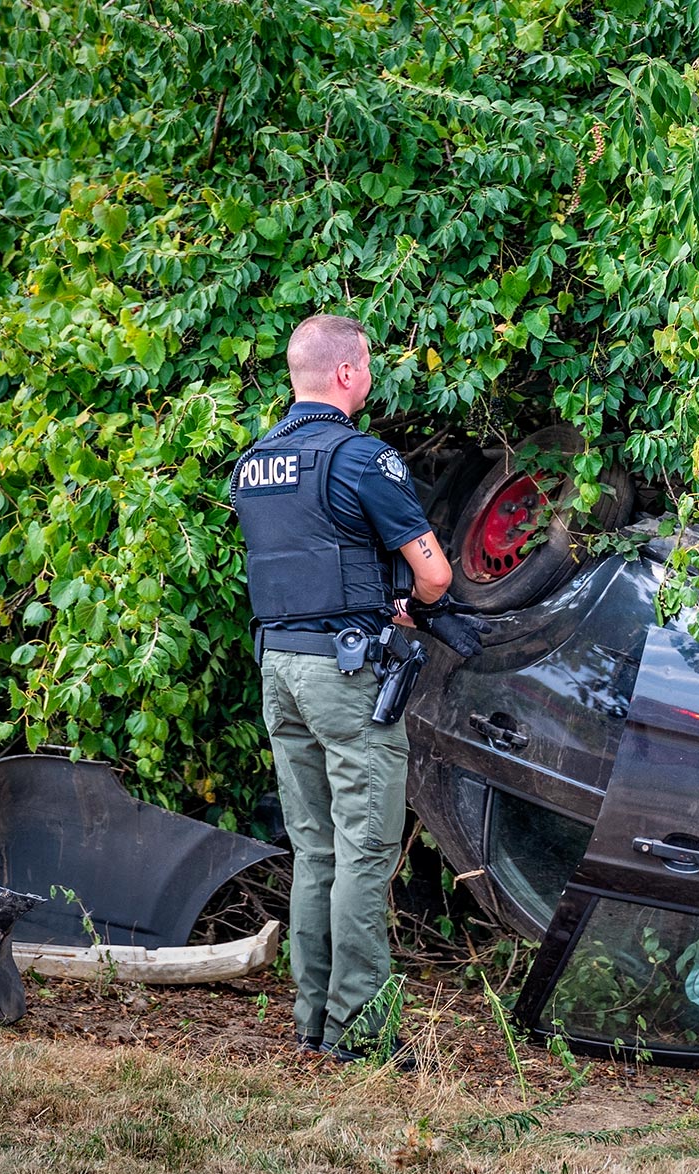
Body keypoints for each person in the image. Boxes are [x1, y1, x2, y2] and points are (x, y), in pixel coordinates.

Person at [230, 313, 487, 1062]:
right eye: (368, 365)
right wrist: (420, 604)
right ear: (345, 374)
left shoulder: (256, 461)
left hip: (280, 666)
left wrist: (376, 597)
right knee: (365, 850)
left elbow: (309, 564)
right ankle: (362, 1033)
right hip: (345, 677)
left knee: (314, 851)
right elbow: (435, 572)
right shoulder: (360, 458)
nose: (370, 377)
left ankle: (314, 1023)